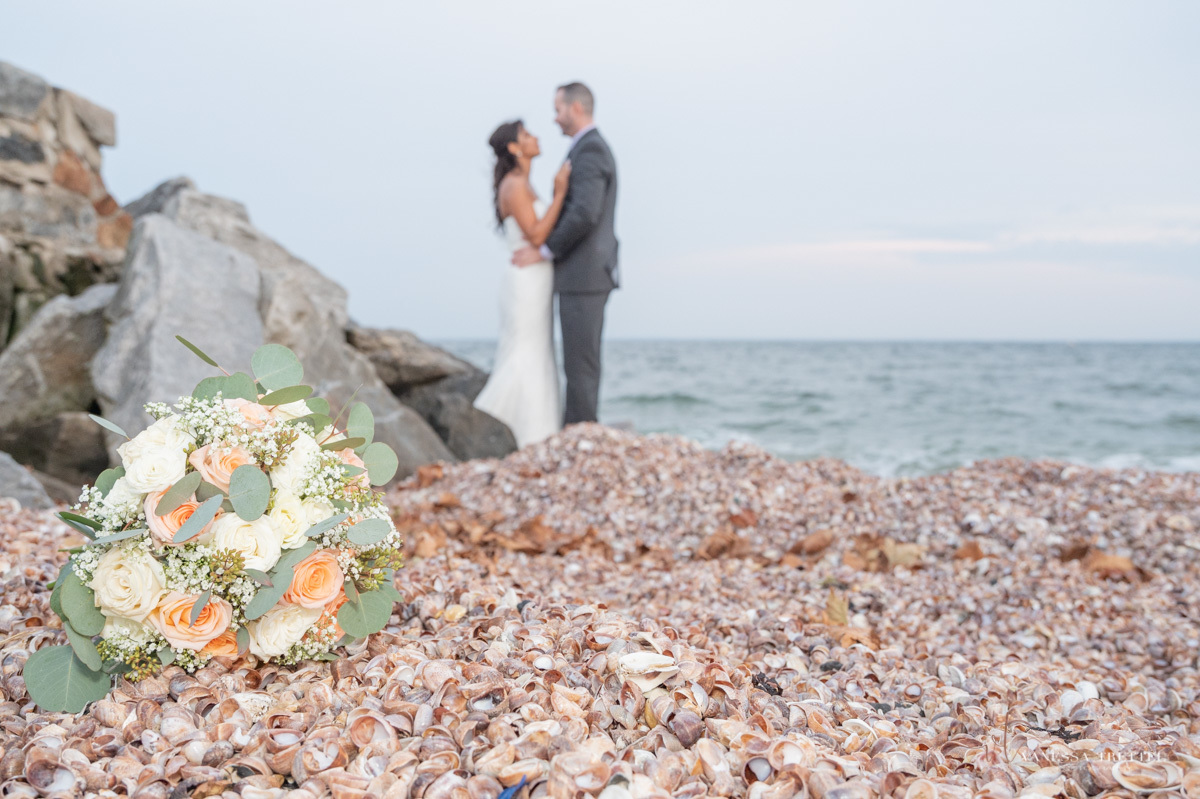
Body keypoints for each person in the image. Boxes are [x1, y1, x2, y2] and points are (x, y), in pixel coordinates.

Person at [512, 82, 619, 426]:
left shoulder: (590, 151)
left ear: (575, 108)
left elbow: (585, 212)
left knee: (581, 365)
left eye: (558, 109)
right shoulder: (586, 149)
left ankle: (581, 436)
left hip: (585, 275)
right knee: (577, 363)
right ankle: (577, 433)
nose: (555, 119)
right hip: (582, 275)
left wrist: (545, 249)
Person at [472, 120, 572, 447]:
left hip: (538, 278)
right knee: (523, 351)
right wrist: (559, 193)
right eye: (527, 135)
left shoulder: (523, 183)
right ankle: (496, 422)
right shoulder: (514, 185)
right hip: (525, 282)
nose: (536, 137)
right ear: (515, 148)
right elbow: (538, 233)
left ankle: (539, 430)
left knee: (538, 350)